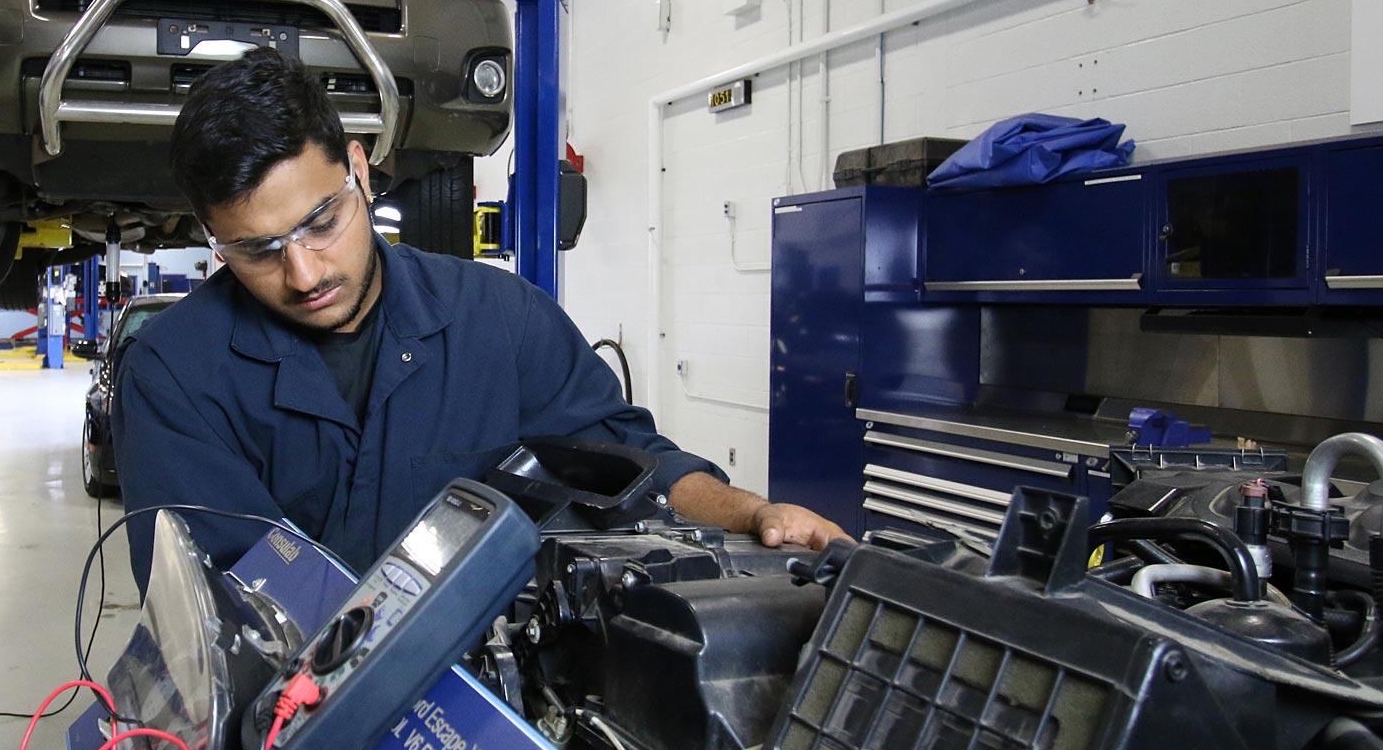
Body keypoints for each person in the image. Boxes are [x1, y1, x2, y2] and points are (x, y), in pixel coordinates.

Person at [114, 48, 846, 587]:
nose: (304, 272)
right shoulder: (177, 374)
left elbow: (631, 462)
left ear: (360, 172)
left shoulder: (499, 320)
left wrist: (749, 512)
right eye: (258, 249)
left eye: (321, 221)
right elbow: (219, 600)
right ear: (214, 241)